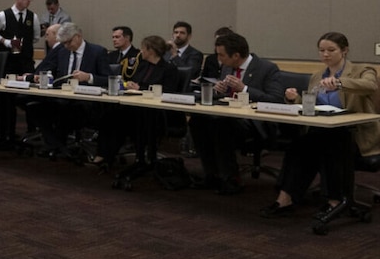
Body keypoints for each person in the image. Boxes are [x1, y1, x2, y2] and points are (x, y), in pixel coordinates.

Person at [261, 32, 379, 221]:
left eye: (331, 50)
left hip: (354, 134)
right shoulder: (317, 76)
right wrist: (294, 98)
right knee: (299, 145)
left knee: (328, 143)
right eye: (322, 51)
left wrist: (340, 83)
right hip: (323, 130)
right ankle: (286, 197)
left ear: (344, 50)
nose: (325, 54)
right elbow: (312, 104)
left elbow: (370, 85)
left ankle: (334, 200)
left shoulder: (362, 70)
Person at [188, 31, 285, 194]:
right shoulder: (227, 67)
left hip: (255, 123)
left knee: (221, 123)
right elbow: (227, 97)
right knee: (197, 121)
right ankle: (211, 174)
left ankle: (231, 179)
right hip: (229, 116)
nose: (219, 59)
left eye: (222, 55)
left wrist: (245, 89)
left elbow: (275, 99)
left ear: (236, 55)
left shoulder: (267, 68)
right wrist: (218, 90)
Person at [91, 34, 185, 169]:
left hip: (156, 112)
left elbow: (168, 90)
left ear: (151, 50)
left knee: (122, 118)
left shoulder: (169, 69)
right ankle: (104, 154)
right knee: (110, 114)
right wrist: (130, 85)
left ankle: (128, 157)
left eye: (143, 49)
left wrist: (141, 88)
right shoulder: (142, 65)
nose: (141, 52)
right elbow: (135, 82)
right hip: (136, 105)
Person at [23, 22, 112, 159]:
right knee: (34, 108)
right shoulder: (62, 52)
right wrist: (43, 77)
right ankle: (58, 146)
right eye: (63, 43)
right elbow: (51, 71)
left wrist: (89, 77)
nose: (66, 46)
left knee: (68, 112)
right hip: (62, 97)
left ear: (78, 37)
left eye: (68, 42)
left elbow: (108, 79)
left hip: (86, 100)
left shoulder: (97, 52)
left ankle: (56, 146)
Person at [0, 0, 39, 144]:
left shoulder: (32, 17)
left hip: (26, 61)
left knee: (31, 94)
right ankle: (4, 130)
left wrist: (25, 46)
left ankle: (33, 130)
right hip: (8, 61)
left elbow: (36, 36)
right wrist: (6, 41)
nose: (28, 0)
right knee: (6, 96)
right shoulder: (4, 15)